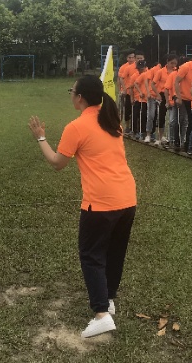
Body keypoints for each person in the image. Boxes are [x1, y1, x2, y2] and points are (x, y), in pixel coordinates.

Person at [28, 75, 136, 338]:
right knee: (114, 252)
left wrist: (41, 138)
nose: (71, 95)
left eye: (72, 91)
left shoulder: (76, 127)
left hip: (100, 202)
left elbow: (57, 163)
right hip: (127, 198)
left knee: (91, 255)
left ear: (80, 97)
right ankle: (108, 299)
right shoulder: (111, 119)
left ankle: (101, 314)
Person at [150, 54, 177, 145]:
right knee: (161, 116)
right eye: (171, 63)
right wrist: (158, 95)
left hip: (173, 95)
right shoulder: (161, 72)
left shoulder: (176, 71)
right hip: (162, 95)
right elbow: (153, 84)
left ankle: (171, 137)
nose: (173, 65)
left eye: (175, 63)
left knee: (172, 118)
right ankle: (160, 136)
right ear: (167, 62)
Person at [117, 51, 137, 134]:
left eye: (132, 57)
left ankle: (134, 127)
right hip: (126, 92)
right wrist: (122, 89)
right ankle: (126, 126)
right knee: (124, 110)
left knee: (135, 110)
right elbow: (119, 79)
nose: (131, 59)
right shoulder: (123, 67)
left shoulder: (138, 66)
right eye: (129, 57)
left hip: (136, 92)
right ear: (127, 58)